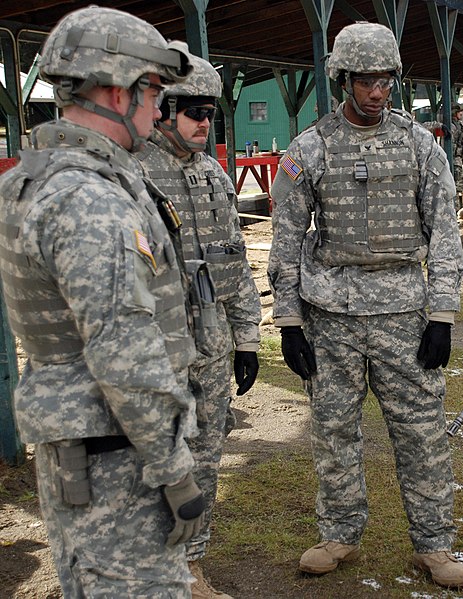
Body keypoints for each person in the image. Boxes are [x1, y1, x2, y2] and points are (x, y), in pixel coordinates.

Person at [0, 7, 205, 597]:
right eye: (154, 92)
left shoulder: (40, 176)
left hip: (88, 453)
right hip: (119, 462)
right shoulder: (89, 199)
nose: (159, 110)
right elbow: (123, 350)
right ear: (118, 92)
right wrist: (173, 468)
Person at [266, 21, 463, 589]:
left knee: (423, 433)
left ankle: (434, 546)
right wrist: (288, 322)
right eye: (366, 81)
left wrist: (442, 316)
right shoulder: (310, 148)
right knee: (334, 431)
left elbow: (446, 234)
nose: (378, 92)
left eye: (385, 80)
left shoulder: (420, 147)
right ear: (343, 80)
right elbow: (286, 239)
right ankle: (340, 534)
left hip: (404, 313)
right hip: (331, 317)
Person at [139, 54, 262, 599]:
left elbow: (233, 260)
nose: (203, 124)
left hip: (210, 347)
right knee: (150, 464)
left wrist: (248, 339)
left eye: (211, 114)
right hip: (152, 353)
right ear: (163, 109)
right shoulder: (133, 170)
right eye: (193, 112)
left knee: (205, 459)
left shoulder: (212, 173)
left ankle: (191, 567)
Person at [422, 102, 463, 206]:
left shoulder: (459, 125)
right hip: (447, 160)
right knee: (450, 186)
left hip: (456, 159)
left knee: (457, 185)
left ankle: (456, 207)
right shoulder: (448, 126)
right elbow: (422, 126)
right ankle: (454, 208)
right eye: (459, 112)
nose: (461, 114)